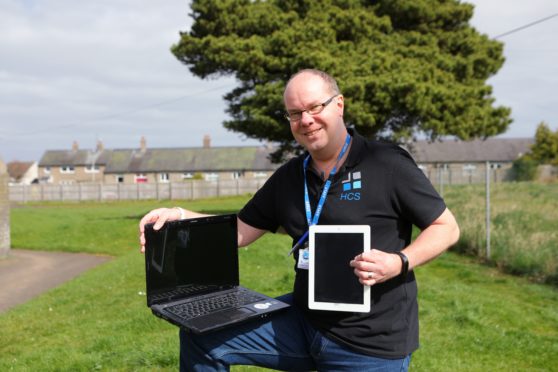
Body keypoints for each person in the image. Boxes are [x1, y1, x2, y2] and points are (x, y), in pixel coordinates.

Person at [139, 69, 460, 371]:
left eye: (314, 107)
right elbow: (238, 230)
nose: (306, 120)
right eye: (295, 113)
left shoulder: (386, 163)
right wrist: (179, 215)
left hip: (370, 342)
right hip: (303, 322)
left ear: (339, 105)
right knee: (202, 337)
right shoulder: (289, 177)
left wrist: (399, 262)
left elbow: (446, 227)